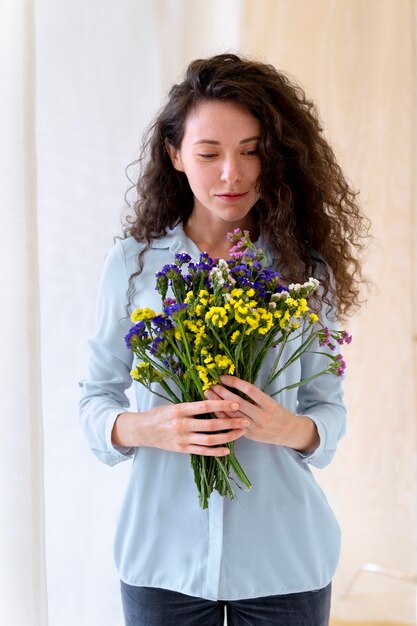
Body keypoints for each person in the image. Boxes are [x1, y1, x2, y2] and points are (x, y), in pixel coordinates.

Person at [79, 53, 369, 626]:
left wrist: (287, 428)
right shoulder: (134, 266)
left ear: (275, 157)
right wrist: (149, 427)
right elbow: (94, 398)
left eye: (252, 151)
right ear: (176, 155)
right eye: (209, 153)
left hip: (285, 562)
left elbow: (328, 412)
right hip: (162, 561)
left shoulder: (304, 270)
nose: (231, 175)